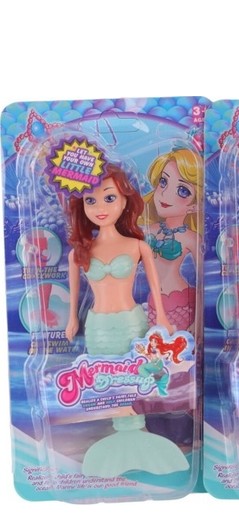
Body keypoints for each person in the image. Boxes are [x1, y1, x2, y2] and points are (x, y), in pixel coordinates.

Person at [65, 162, 189, 478]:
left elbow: (156, 289)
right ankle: (121, 440)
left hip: (133, 325)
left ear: (124, 201)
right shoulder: (80, 252)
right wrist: (71, 322)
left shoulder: (137, 246)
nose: (100, 207)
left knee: (138, 381)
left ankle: (139, 435)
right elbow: (74, 296)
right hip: (98, 329)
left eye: (109, 198)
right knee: (109, 385)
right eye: (90, 200)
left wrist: (162, 319)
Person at [141, 147, 202, 332]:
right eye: (163, 181)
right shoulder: (146, 229)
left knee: (177, 348)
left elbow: (202, 283)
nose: (165, 194)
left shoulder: (191, 238)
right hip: (152, 302)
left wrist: (198, 322)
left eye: (183, 190)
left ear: (194, 206)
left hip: (180, 303)